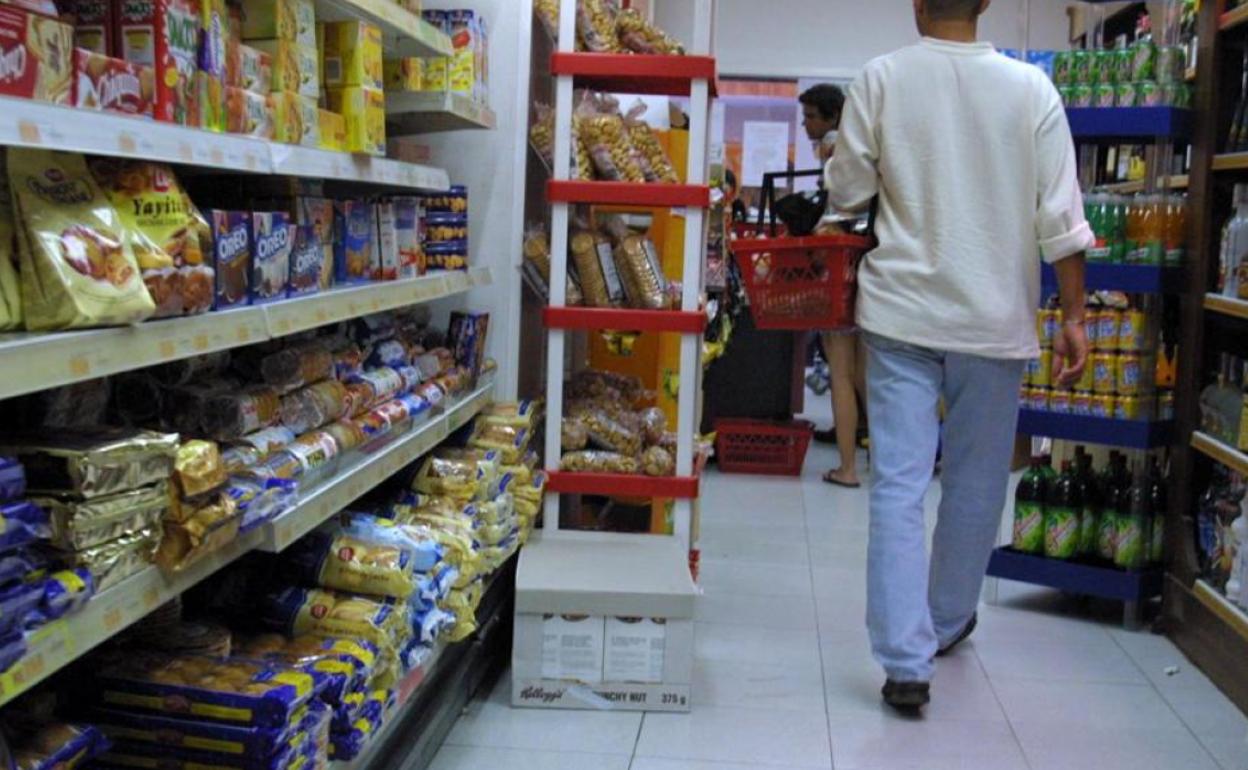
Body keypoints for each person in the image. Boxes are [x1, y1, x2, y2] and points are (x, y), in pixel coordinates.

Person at [823, 0, 1091, 711]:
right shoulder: (1031, 88)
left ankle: (905, 663)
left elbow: (847, 192)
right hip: (993, 320)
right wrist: (1074, 316)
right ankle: (945, 622)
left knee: (900, 486)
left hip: (901, 314)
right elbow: (1061, 215)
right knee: (976, 484)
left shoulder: (880, 78)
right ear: (985, 4)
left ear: (917, 3)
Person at [801, 83, 868, 489]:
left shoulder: (833, 145)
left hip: (838, 268)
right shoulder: (864, 146)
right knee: (863, 375)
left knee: (840, 373)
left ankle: (847, 468)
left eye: (810, 115)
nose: (807, 124)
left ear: (831, 117)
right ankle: (883, 452)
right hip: (865, 269)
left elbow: (835, 204)